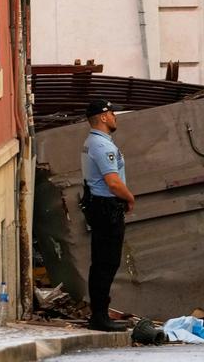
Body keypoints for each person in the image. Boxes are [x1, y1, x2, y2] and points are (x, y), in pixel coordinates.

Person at [80, 99, 135, 331]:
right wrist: (130, 197)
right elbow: (113, 182)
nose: (115, 117)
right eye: (112, 113)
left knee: (102, 262)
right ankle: (100, 317)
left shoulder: (94, 142)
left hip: (99, 205)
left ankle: (100, 314)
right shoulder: (102, 146)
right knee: (106, 263)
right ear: (103, 117)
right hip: (106, 207)